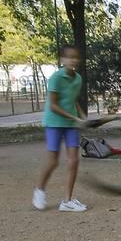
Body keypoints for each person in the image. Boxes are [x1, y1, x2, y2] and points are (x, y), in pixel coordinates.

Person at [32, 44, 88, 212]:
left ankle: (67, 201)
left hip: (71, 125)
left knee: (74, 161)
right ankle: (39, 190)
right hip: (54, 122)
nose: (73, 60)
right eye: (69, 57)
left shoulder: (78, 78)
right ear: (62, 60)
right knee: (53, 161)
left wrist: (82, 116)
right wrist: (74, 117)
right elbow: (53, 106)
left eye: (75, 57)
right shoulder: (56, 78)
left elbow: (73, 100)